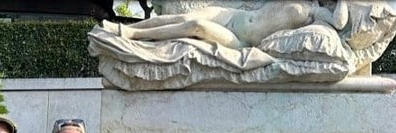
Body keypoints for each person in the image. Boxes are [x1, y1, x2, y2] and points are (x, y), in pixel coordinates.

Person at [107, 0, 349, 49]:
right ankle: (129, 29)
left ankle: (135, 36)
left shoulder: (315, 10)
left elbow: (339, 21)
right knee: (182, 18)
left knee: (196, 26)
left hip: (240, 40)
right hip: (233, 15)